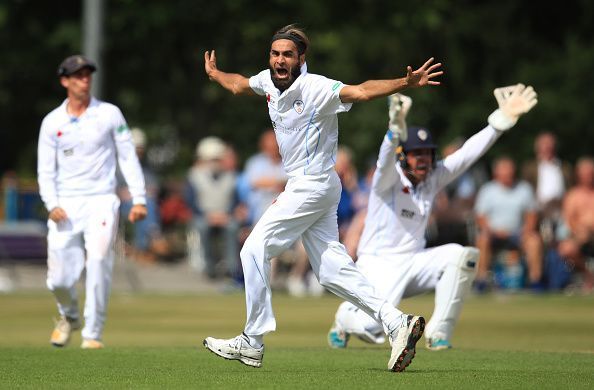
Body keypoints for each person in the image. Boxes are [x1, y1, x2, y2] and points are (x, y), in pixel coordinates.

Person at [202, 24, 443, 372]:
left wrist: (405, 83)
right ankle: (396, 323)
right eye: (275, 54)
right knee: (331, 272)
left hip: (312, 184)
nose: (279, 60)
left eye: (287, 54)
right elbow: (239, 84)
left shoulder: (316, 88)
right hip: (314, 187)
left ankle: (252, 340)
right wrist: (214, 73)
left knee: (253, 249)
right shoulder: (268, 81)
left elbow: (360, 92)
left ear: (301, 58)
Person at [327, 84, 538, 351]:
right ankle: (344, 319)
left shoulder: (433, 177)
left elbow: (466, 155)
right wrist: (393, 132)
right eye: (417, 154)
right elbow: (383, 161)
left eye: (427, 153)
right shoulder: (388, 181)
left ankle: (438, 333)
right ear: (404, 157)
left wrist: (499, 123)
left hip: (414, 263)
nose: (424, 160)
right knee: (372, 331)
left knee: (461, 256)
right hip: (378, 265)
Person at [37, 55, 147, 349]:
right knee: (59, 279)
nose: (83, 80)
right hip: (65, 204)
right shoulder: (52, 122)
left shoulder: (109, 113)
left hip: (101, 200)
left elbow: (127, 155)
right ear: (65, 81)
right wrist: (51, 203)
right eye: (76, 76)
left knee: (98, 260)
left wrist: (139, 198)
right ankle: (69, 315)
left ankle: (92, 334)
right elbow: (45, 170)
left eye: (87, 75)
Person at [474, 157, 543, 291]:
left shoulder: (524, 189)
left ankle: (536, 280)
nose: (507, 175)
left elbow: (532, 215)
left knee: (534, 241)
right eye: (504, 172)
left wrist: (526, 231)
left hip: (518, 233)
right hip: (493, 233)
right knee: (482, 240)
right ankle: (481, 280)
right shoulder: (487, 190)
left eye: (509, 171)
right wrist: (491, 230)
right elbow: (480, 217)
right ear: (496, 173)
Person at [185, 136, 241, 280]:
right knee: (203, 227)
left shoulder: (231, 176)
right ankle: (209, 267)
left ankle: (231, 268)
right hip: (203, 216)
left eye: (217, 159)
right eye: (212, 159)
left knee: (233, 227)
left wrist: (225, 215)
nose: (215, 163)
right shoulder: (194, 176)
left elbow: (234, 201)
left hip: (225, 216)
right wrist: (207, 215)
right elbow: (191, 201)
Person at [118, 127, 168, 263]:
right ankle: (154, 237)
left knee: (145, 208)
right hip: (122, 206)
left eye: (140, 151)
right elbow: (114, 190)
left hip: (143, 204)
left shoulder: (148, 167)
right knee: (146, 206)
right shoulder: (118, 166)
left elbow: (155, 188)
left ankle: (142, 248)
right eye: (136, 150)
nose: (138, 154)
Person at [557, 157, 594, 292]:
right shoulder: (573, 195)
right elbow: (569, 220)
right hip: (580, 236)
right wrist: (580, 231)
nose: (588, 177)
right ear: (578, 175)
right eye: (585, 174)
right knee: (566, 249)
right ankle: (588, 275)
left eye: (591, 173)